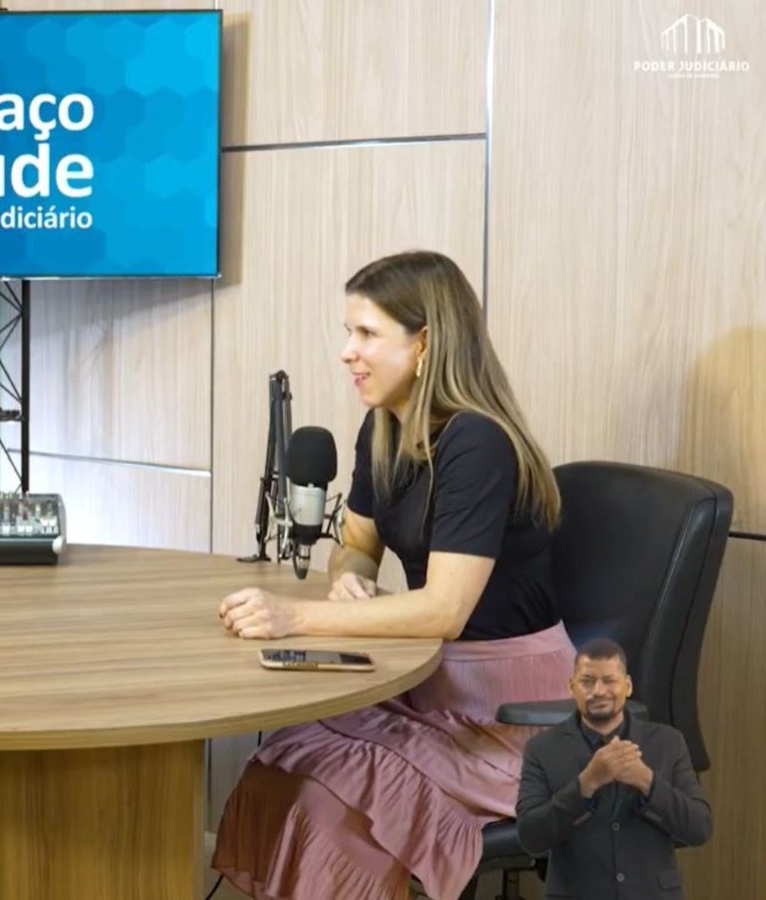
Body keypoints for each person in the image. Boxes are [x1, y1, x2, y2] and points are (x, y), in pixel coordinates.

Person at [212, 250, 578, 899]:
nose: (347, 353)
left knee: (325, 807)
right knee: (278, 770)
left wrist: (296, 616)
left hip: (504, 706)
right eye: (348, 333)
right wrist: (348, 578)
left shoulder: (478, 443)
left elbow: (444, 611)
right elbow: (354, 543)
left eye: (367, 334)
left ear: (426, 341)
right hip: (430, 678)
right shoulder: (385, 427)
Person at [515, 638, 710, 898]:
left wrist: (648, 783)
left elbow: (699, 828)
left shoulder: (668, 742)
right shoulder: (542, 749)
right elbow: (530, 837)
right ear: (572, 687)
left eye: (609, 681)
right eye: (587, 681)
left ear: (627, 686)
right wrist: (586, 784)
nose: (598, 691)